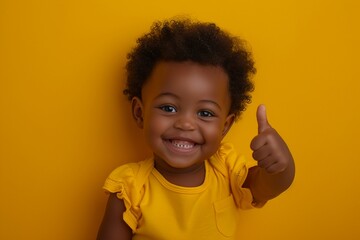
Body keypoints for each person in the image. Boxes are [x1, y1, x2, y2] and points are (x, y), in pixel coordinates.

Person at [97, 18, 295, 240]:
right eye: (169, 108)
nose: (185, 124)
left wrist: (280, 167)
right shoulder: (130, 188)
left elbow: (266, 187)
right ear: (140, 113)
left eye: (205, 113)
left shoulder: (226, 170)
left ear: (225, 126)